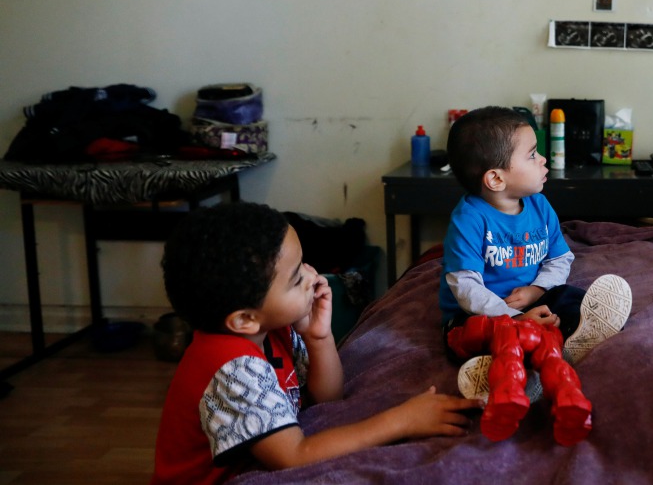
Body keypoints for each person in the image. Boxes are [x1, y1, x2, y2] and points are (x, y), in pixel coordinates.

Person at [152, 202, 481, 484]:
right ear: (243, 320)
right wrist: (401, 420)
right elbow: (293, 456)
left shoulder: (272, 327)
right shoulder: (232, 368)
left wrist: (317, 337)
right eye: (297, 279)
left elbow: (328, 397)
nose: (313, 276)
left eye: (303, 265)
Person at [439, 106, 632, 444]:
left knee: (570, 296)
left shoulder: (540, 206)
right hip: (485, 312)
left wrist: (535, 290)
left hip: (530, 299)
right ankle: (514, 363)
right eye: (532, 155)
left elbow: (561, 258)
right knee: (465, 334)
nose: (543, 160)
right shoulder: (469, 219)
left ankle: (571, 337)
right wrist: (516, 317)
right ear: (496, 178)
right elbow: (466, 287)